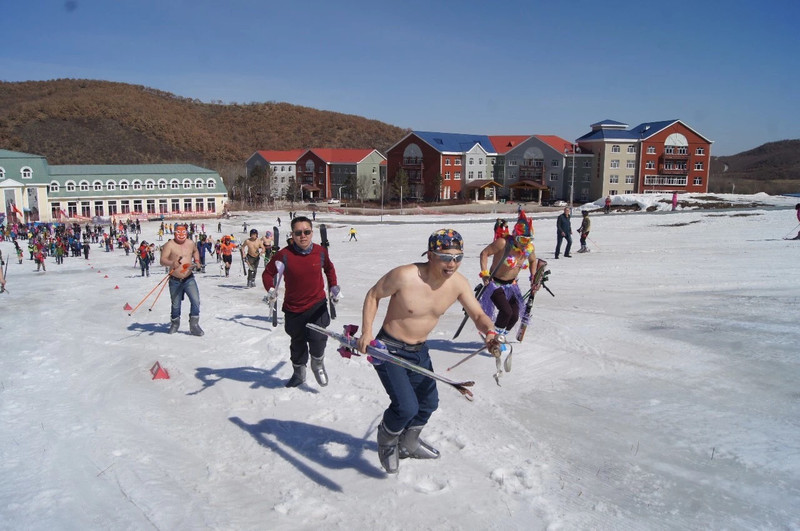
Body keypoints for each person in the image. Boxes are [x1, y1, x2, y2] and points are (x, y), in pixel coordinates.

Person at [356, 229, 501, 474]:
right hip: (389, 350)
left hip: (420, 350)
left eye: (458, 257)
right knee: (405, 407)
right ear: (430, 255)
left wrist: (489, 331)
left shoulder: (458, 284)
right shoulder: (405, 276)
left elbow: (477, 314)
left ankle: (409, 443)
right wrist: (366, 332)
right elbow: (373, 295)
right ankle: (387, 440)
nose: (452, 264)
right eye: (446, 257)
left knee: (428, 403)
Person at [262, 216, 339, 388]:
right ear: (293, 235)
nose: (302, 236)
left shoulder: (320, 252)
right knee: (297, 343)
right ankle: (299, 373)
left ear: (312, 233)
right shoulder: (284, 255)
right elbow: (267, 274)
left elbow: (329, 269)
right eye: (298, 233)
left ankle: (317, 365)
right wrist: (271, 290)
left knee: (318, 338)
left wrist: (333, 287)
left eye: (306, 232)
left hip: (317, 305)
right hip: (293, 308)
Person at [478, 211, 539, 344]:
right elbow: (484, 253)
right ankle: (494, 338)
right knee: (506, 311)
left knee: (515, 315)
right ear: (516, 236)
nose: (525, 243)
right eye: (522, 239)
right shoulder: (502, 243)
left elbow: (533, 261)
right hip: (495, 284)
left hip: (512, 286)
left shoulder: (528, 249)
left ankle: (499, 336)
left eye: (528, 240)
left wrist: (533, 276)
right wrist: (485, 273)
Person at [159, 223, 204, 336]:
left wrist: (197, 261)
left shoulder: (190, 243)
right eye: (178, 232)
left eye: (183, 232)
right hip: (175, 280)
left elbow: (195, 251)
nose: (181, 235)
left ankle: (194, 325)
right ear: (174, 233)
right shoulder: (169, 245)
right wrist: (172, 263)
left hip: (189, 278)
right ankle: (175, 324)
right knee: (176, 304)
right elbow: (162, 260)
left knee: (196, 301)